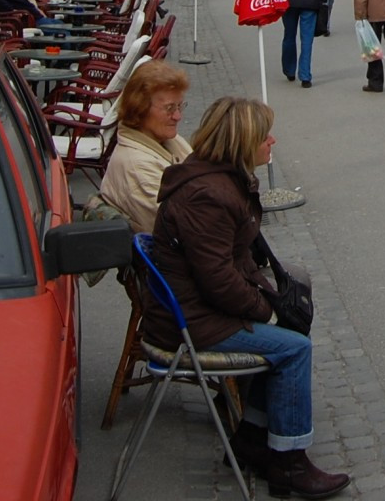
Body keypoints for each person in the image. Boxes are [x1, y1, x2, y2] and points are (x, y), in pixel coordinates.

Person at [145, 97, 351, 500]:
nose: (272, 141)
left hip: (195, 310)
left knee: (284, 333)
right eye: (264, 136)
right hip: (190, 322)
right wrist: (266, 312)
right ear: (243, 143)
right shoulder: (209, 195)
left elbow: (228, 266)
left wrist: (268, 301)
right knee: (293, 348)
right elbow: (218, 280)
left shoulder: (215, 182)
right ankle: (289, 463)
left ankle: (253, 440)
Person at [96, 61, 191, 233]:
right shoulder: (138, 167)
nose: (177, 116)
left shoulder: (167, 139)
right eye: (169, 108)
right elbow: (184, 229)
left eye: (179, 106)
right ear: (139, 108)